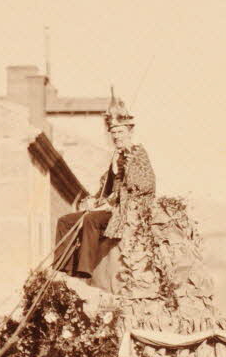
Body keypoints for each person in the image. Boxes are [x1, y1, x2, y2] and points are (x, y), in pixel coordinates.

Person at [55, 95, 156, 289]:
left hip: (126, 211)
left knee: (91, 221)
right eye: (113, 133)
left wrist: (113, 200)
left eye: (120, 131)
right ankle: (62, 266)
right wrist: (94, 201)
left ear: (129, 132)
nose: (116, 136)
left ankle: (84, 270)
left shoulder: (137, 154)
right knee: (65, 221)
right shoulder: (115, 157)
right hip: (110, 207)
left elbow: (145, 185)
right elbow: (105, 188)